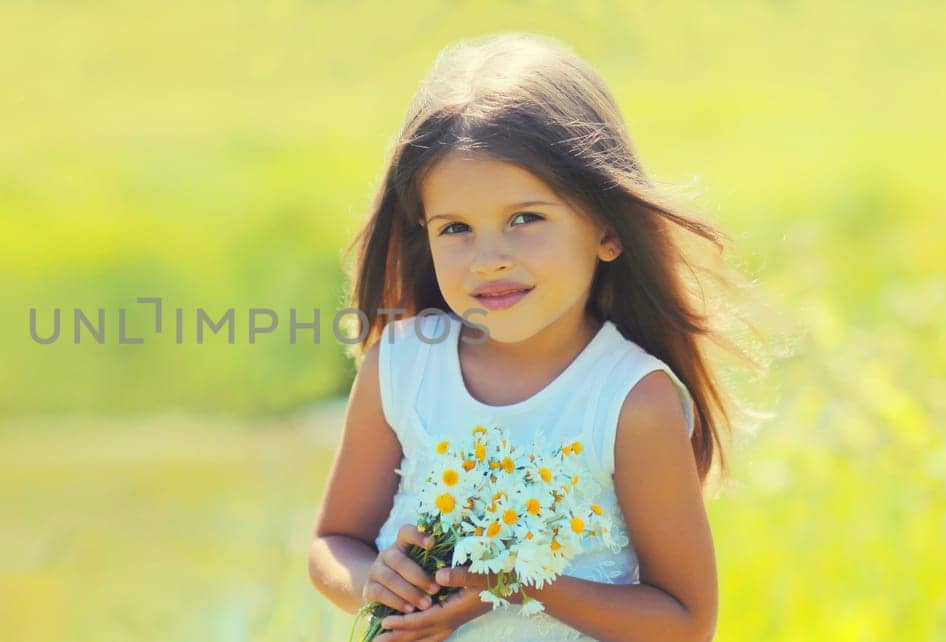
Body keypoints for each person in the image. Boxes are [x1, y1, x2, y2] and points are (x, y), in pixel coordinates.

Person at [308, 33, 763, 641]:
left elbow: (685, 623)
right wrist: (372, 581)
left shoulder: (631, 401)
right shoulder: (401, 365)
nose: (489, 259)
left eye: (526, 219)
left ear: (606, 228)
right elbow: (332, 544)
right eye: (456, 228)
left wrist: (515, 582)